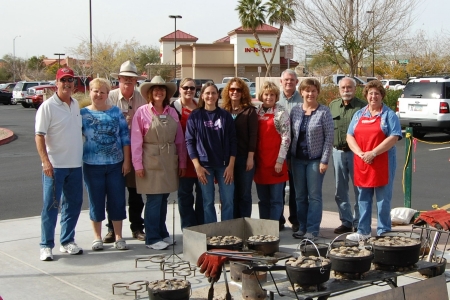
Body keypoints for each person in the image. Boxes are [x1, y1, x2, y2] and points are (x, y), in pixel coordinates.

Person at [131, 76, 186, 250]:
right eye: (155, 89)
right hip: (150, 160)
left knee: (163, 198)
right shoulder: (142, 112)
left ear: (166, 93)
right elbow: (136, 140)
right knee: (154, 199)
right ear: (150, 93)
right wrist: (137, 164)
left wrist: (182, 162)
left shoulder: (171, 113)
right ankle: (152, 238)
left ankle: (162, 233)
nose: (159, 92)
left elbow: (180, 140)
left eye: (162, 89)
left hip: (169, 160)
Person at [35, 67, 83, 261]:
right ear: (57, 83)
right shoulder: (47, 106)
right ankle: (46, 245)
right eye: (63, 80)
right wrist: (45, 161)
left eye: (70, 80)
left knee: (74, 204)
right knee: (51, 206)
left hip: (75, 165)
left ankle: (67, 241)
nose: (67, 84)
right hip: (55, 166)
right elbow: (39, 136)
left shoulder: (76, 104)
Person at [346, 80, 402, 241]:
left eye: (377, 93)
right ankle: (363, 231)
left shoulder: (389, 115)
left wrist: (374, 153)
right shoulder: (359, 115)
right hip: (363, 161)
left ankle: (383, 231)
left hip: (382, 161)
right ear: (366, 95)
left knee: (383, 199)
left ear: (382, 96)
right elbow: (350, 135)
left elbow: (394, 137)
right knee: (363, 197)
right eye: (370, 93)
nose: (373, 96)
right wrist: (360, 153)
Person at [81, 78, 130, 251]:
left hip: (115, 165)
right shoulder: (82, 114)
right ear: (90, 92)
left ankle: (118, 236)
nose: (99, 94)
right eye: (96, 91)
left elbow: (125, 138)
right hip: (92, 165)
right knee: (96, 201)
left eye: (103, 92)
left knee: (117, 200)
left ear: (107, 94)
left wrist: (127, 161)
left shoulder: (116, 112)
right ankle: (97, 237)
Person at [106, 60, 147, 243]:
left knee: (136, 194)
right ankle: (111, 229)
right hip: (114, 153)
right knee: (114, 193)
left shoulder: (142, 99)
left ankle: (137, 227)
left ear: (136, 80)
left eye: (131, 79)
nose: (128, 82)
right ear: (119, 79)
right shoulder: (110, 98)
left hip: (136, 153)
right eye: (125, 79)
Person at [185, 82, 237, 224]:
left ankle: (227, 232)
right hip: (204, 167)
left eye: (213, 93)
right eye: (207, 93)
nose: (210, 96)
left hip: (224, 166)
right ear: (202, 95)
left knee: (228, 201)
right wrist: (197, 166)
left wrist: (231, 165)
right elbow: (189, 142)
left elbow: (233, 141)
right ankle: (212, 233)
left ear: (218, 95)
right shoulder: (195, 116)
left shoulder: (225, 116)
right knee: (207, 202)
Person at [290, 78, 334, 241]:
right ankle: (302, 227)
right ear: (301, 92)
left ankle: (313, 229)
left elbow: (329, 137)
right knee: (300, 196)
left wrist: (324, 160)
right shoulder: (295, 111)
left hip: (315, 160)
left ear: (318, 92)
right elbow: (290, 135)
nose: (310, 93)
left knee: (314, 196)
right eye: (307, 90)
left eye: (313, 90)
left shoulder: (324, 111)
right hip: (297, 160)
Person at [329, 77, 366, 234]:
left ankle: (359, 221)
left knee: (360, 189)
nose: (346, 90)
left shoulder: (362, 107)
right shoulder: (332, 105)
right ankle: (346, 221)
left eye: (349, 87)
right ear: (339, 89)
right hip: (337, 152)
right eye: (343, 87)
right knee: (340, 189)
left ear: (355, 88)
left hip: (356, 154)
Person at [170, 77, 204, 229]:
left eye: (192, 88)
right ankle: (189, 228)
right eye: (186, 88)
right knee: (185, 196)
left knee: (203, 196)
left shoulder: (201, 106)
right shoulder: (174, 108)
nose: (189, 90)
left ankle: (201, 227)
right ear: (179, 89)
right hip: (183, 159)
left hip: (202, 159)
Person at [221, 78, 258, 218]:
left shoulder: (249, 111)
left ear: (243, 92)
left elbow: (253, 135)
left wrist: (250, 158)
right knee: (229, 194)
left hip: (244, 158)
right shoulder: (223, 111)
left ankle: (244, 223)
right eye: (232, 89)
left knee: (244, 194)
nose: (235, 92)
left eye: (238, 90)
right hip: (226, 159)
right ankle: (232, 224)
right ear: (228, 92)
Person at [254, 81, 290, 221]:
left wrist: (280, 160)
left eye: (272, 95)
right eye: (266, 94)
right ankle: (264, 227)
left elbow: (286, 138)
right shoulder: (256, 112)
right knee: (263, 200)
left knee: (276, 200)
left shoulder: (281, 113)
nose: (269, 97)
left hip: (276, 162)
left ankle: (274, 227)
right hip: (260, 163)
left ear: (276, 96)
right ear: (261, 95)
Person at [278, 69, 302, 231]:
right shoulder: (274, 98)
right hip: (277, 150)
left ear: (296, 82)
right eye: (286, 80)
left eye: (292, 80)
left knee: (296, 187)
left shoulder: (302, 98)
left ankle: (295, 219)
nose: (289, 82)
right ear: (281, 82)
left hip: (296, 149)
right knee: (278, 186)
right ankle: (278, 219)